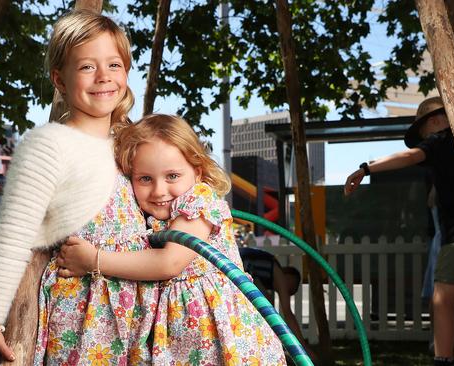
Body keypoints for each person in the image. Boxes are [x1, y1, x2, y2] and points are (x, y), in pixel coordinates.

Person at [0, 10, 158, 365]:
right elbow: (13, 236)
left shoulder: (130, 143)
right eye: (87, 67)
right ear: (60, 78)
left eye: (114, 65)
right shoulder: (48, 146)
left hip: (143, 306)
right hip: (85, 314)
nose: (104, 77)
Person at [57, 114, 286, 365]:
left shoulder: (199, 200)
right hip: (183, 340)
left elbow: (169, 263)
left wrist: (94, 260)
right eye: (145, 179)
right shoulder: (148, 220)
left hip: (224, 336)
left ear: (197, 172)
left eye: (173, 176)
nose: (159, 190)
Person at [344, 96, 454, 366]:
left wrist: (366, 168)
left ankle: (443, 359)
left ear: (436, 120)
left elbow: (410, 156)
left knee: (443, 302)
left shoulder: (442, 138)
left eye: (424, 134)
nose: (424, 140)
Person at [239, 246, 317, 361]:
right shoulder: (276, 271)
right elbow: (287, 312)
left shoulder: (265, 273)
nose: (286, 291)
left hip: (238, 263)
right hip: (240, 262)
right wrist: (303, 347)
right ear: (288, 276)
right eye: (291, 287)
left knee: (266, 304)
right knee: (267, 305)